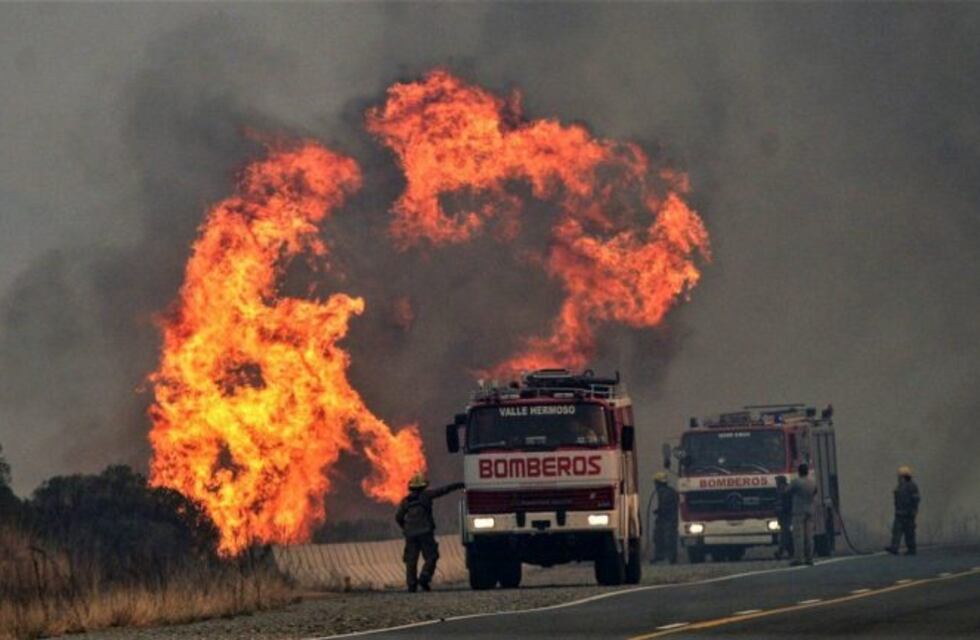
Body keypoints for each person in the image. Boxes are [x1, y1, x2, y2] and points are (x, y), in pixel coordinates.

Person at [395, 473, 465, 592]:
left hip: (410, 534)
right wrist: (459, 485)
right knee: (431, 556)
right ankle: (425, 577)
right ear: (423, 486)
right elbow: (443, 490)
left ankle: (412, 585)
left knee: (411, 559)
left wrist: (406, 528)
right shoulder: (426, 496)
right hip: (425, 532)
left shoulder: (405, 501)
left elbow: (398, 517)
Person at [885, 465, 920, 556]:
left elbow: (915, 499)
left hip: (908, 513)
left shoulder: (911, 486)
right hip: (900, 513)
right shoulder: (900, 486)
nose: (898, 478)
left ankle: (911, 549)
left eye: (900, 476)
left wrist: (913, 511)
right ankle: (894, 547)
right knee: (897, 531)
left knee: (909, 532)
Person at [788, 463, 817, 566]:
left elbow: (788, 491)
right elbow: (815, 492)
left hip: (798, 511)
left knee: (799, 536)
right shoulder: (812, 482)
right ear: (807, 471)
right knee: (809, 536)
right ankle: (810, 558)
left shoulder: (796, 482)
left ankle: (799, 558)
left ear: (799, 472)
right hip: (810, 509)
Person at [651, 471, 679, 564]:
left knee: (668, 538)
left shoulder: (666, 492)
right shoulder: (667, 491)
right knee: (658, 537)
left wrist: (659, 511)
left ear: (657, 482)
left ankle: (671, 558)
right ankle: (660, 556)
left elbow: (667, 506)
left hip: (668, 519)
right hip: (664, 519)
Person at [774, 475, 794, 560]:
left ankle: (781, 551)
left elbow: (788, 504)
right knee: (786, 535)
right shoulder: (780, 491)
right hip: (782, 516)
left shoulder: (786, 492)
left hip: (786, 515)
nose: (777, 484)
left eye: (778, 482)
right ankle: (790, 552)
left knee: (785, 535)